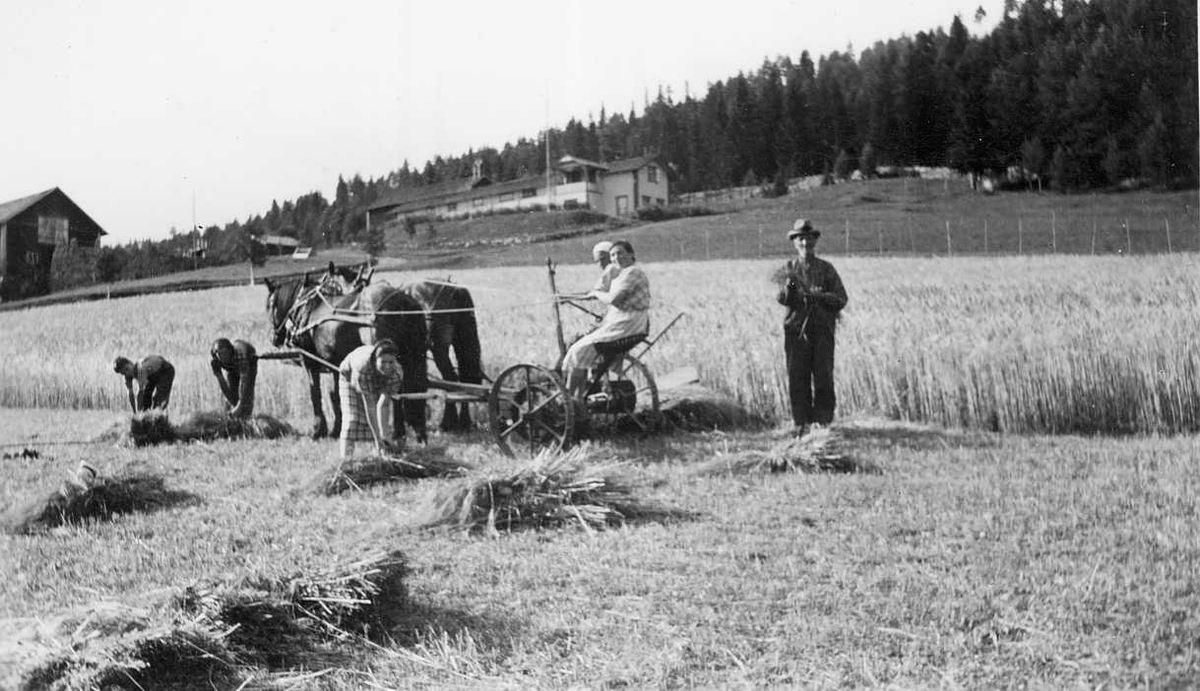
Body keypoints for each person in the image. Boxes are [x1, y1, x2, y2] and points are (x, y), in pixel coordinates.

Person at [776, 219, 848, 435]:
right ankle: (801, 423)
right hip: (796, 331)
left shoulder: (827, 269)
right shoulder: (789, 269)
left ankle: (823, 422)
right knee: (797, 376)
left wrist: (819, 296)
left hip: (822, 331)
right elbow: (782, 298)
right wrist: (791, 290)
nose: (804, 242)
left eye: (808, 237)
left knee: (823, 375)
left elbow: (841, 298)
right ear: (794, 242)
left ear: (815, 240)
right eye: (800, 238)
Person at [561, 240, 651, 396]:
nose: (617, 257)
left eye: (620, 253)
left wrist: (596, 294)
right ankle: (578, 397)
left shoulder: (633, 272)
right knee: (580, 348)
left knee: (577, 350)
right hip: (622, 321)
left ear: (631, 254)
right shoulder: (621, 273)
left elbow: (613, 299)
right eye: (613, 255)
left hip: (627, 323)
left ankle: (569, 398)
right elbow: (598, 293)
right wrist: (567, 297)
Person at [337, 339, 404, 459]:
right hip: (349, 377)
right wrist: (377, 438)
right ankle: (345, 460)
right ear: (375, 359)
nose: (387, 366)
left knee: (381, 429)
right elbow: (371, 406)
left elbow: (383, 405)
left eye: (391, 362)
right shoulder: (363, 367)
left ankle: (381, 455)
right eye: (383, 362)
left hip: (377, 380)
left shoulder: (396, 373)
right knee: (352, 420)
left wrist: (384, 435)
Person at [210, 338, 258, 418]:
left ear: (230, 351)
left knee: (245, 402)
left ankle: (245, 419)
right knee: (231, 399)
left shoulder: (242, 357)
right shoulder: (215, 359)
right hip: (231, 367)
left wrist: (240, 406)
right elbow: (223, 383)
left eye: (225, 353)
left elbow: (244, 383)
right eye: (220, 354)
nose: (223, 357)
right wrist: (219, 375)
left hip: (249, 361)